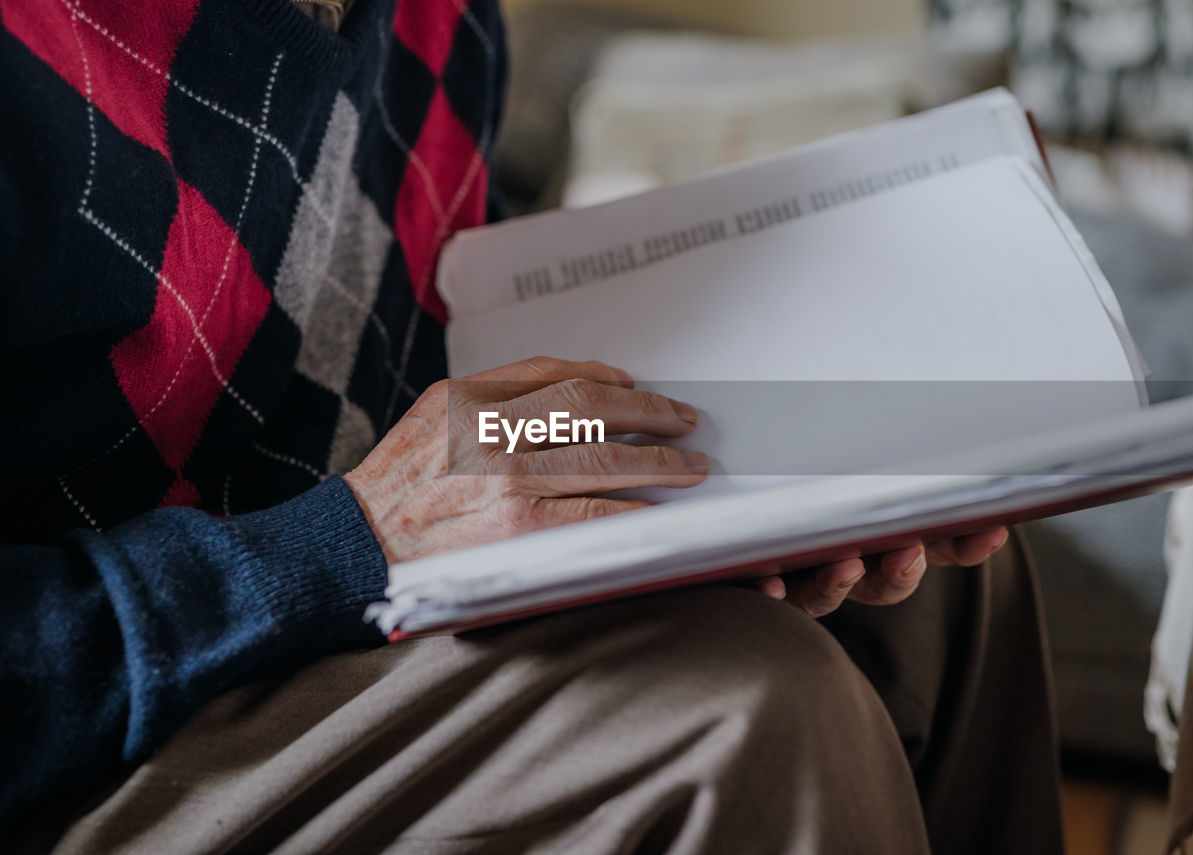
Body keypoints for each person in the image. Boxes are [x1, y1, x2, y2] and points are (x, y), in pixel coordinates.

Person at [1, 0, 1064, 851]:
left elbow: (436, 385)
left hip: (346, 605)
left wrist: (704, 509)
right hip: (101, 724)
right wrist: (347, 545)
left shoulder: (441, 20)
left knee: (941, 573)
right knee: (748, 709)